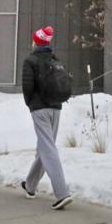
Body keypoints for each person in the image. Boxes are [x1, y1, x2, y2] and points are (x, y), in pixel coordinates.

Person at [20, 25, 73, 210]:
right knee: (45, 146)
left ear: (37, 42)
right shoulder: (55, 60)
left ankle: (62, 194)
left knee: (48, 148)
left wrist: (31, 104)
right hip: (56, 107)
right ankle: (30, 186)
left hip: (40, 108)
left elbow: (27, 87)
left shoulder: (31, 60)